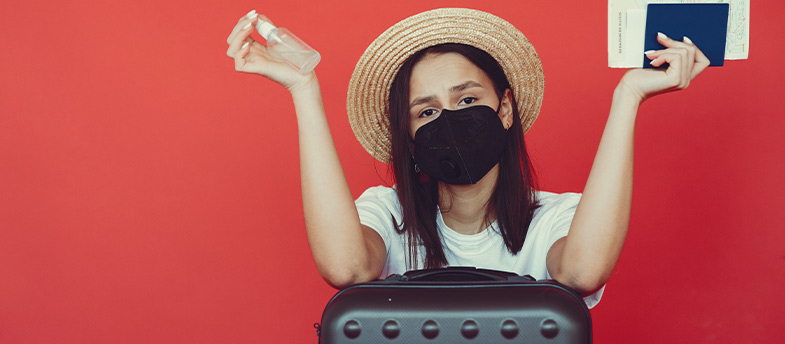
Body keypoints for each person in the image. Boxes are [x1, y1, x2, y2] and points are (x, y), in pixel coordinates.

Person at [225, 8, 709, 308]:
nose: (450, 119)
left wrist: (629, 97)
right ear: (409, 136)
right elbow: (346, 269)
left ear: (504, 109)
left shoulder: (556, 218)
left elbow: (580, 274)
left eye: (467, 100)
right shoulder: (387, 213)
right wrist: (303, 90)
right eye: (427, 110)